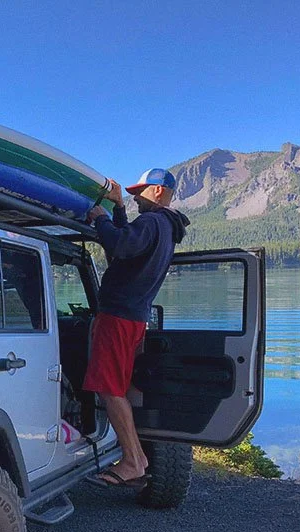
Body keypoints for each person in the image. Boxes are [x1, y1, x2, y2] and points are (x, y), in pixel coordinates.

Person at [84, 168, 189, 487]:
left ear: (158, 191)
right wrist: (116, 209)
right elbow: (126, 249)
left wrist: (100, 217)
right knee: (122, 387)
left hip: (117, 317)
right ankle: (136, 456)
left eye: (140, 190)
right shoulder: (164, 229)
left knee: (109, 388)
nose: (134, 196)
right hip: (135, 318)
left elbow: (118, 246)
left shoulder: (152, 221)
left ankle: (133, 460)